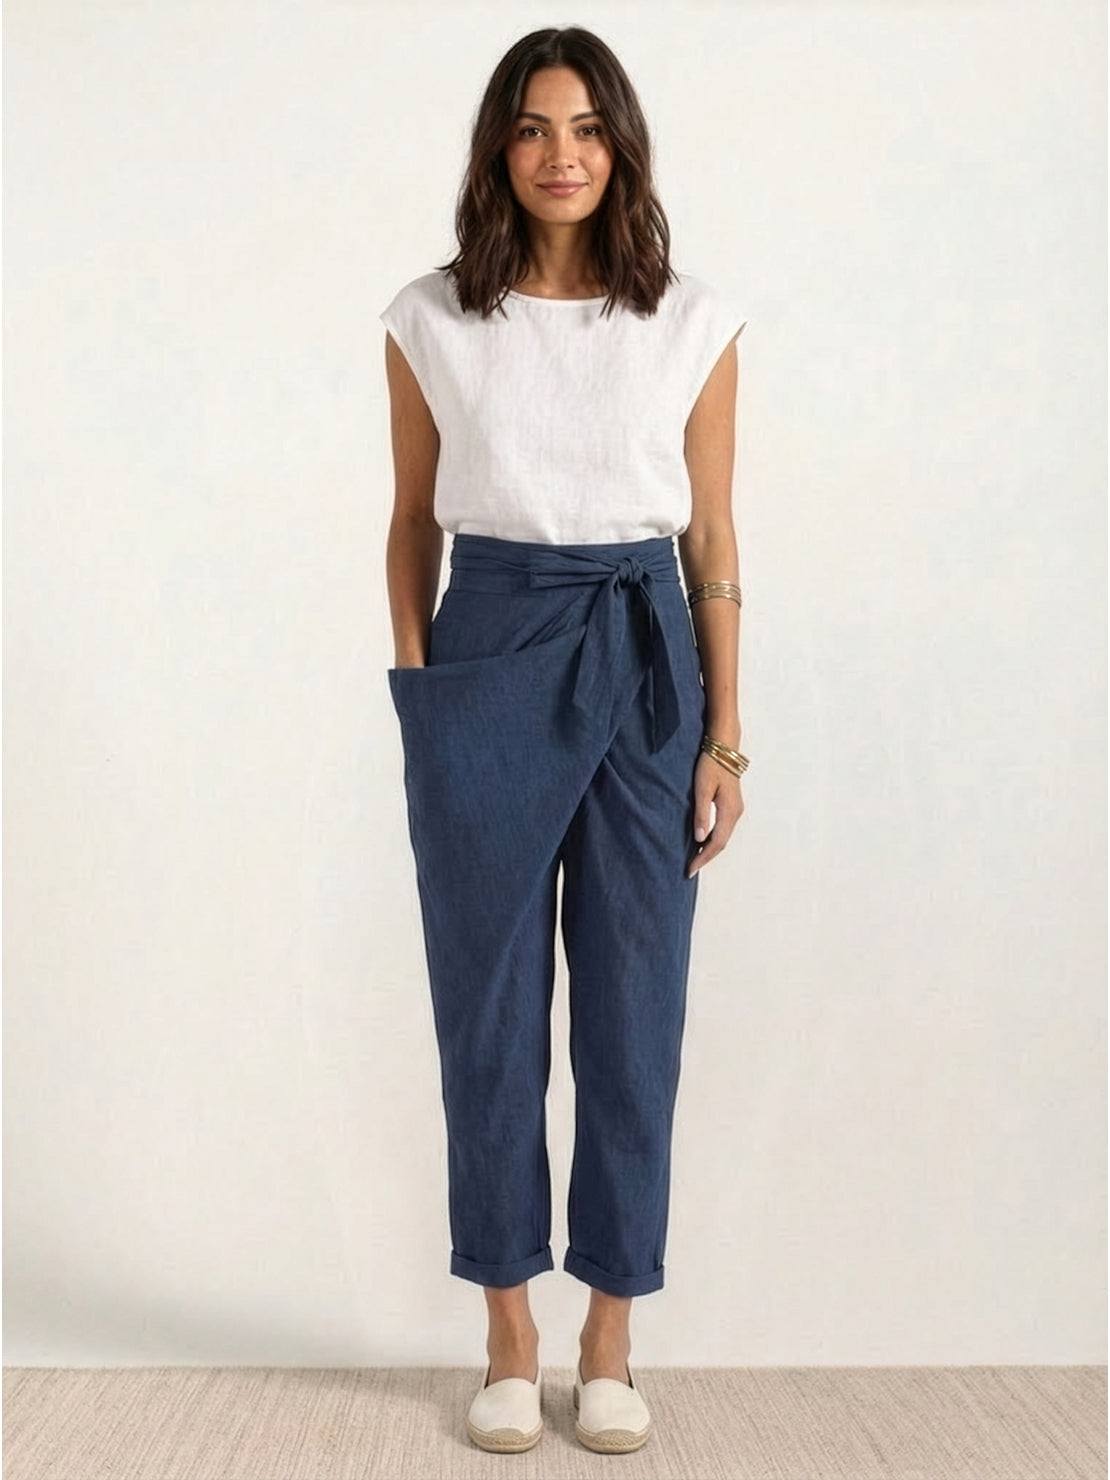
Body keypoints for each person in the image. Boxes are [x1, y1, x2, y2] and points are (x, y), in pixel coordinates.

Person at [381, 25, 749, 1456]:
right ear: (499, 148)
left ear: (621, 148)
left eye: (588, 129)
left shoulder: (692, 321)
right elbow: (410, 523)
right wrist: (422, 697)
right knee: (486, 1008)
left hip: (647, 655)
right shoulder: (429, 318)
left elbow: (713, 540)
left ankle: (608, 1339)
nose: (561, 155)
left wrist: (726, 735)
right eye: (535, 128)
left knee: (634, 1008)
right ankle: (506, 1335)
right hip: (487, 646)